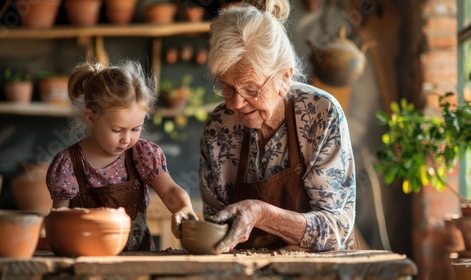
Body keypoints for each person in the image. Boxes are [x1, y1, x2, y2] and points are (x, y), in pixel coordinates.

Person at [199, 0, 356, 253]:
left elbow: (334, 230)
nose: (236, 103)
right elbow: (216, 227)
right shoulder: (219, 126)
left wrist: (262, 214)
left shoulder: (320, 115)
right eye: (227, 87)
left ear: (284, 77)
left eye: (251, 89)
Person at [46, 60, 198, 251]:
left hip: (138, 259)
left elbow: (169, 192)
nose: (126, 139)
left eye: (136, 129)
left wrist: (184, 209)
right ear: (91, 118)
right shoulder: (69, 164)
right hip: (87, 259)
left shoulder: (142, 154)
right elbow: (58, 221)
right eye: (117, 130)